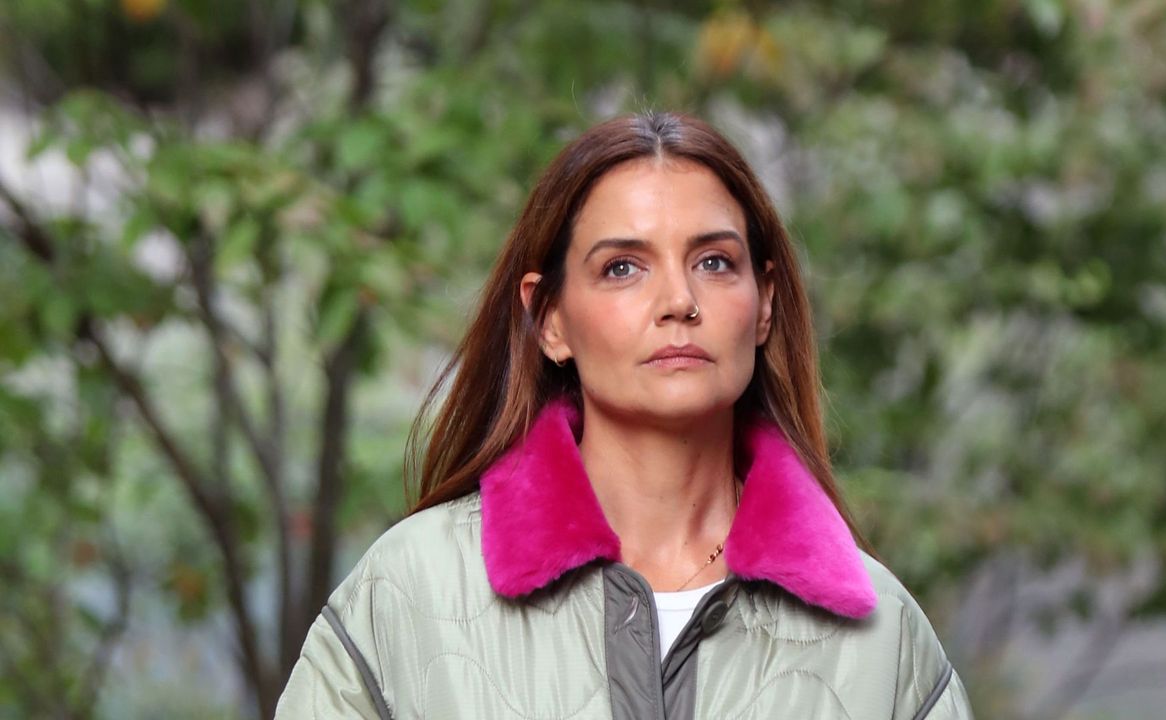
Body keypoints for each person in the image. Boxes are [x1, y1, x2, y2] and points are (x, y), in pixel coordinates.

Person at [275, 111, 974, 719]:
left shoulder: (883, 634)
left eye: (714, 262)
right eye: (622, 268)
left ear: (763, 304)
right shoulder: (411, 589)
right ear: (549, 319)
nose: (679, 300)